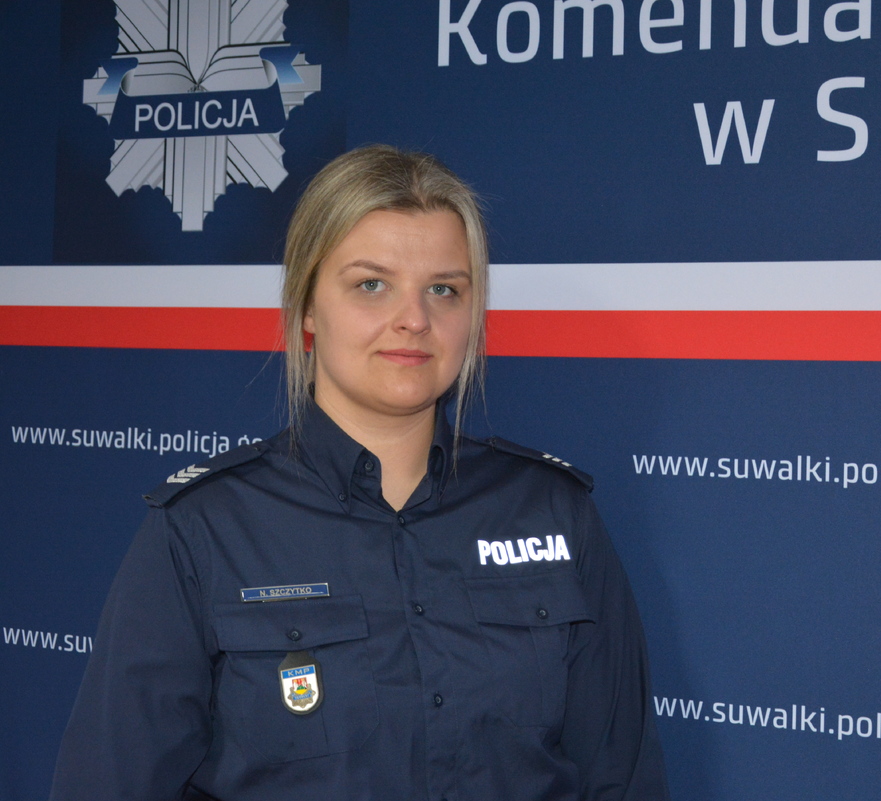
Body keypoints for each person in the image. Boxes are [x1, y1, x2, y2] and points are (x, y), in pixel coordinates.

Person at [49, 145, 670, 800]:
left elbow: (622, 777)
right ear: (307, 307)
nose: (415, 319)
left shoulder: (553, 511)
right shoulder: (202, 530)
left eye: (444, 289)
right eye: (372, 284)